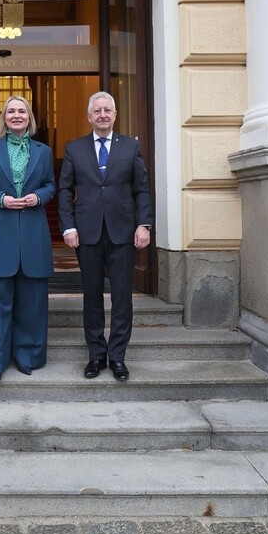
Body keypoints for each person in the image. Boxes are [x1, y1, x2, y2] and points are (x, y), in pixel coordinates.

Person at [57, 91, 152, 381]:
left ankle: (118, 356)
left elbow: (142, 189)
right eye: (97, 111)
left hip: (123, 231)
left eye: (107, 110)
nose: (102, 115)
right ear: (89, 117)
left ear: (115, 115)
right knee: (92, 296)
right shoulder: (74, 149)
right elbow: (64, 190)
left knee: (122, 296)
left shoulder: (129, 147)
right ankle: (96, 355)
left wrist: (144, 224)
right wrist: (68, 226)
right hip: (87, 233)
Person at [0, 95, 55, 384]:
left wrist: (38, 197)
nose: (16, 115)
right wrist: (1, 199)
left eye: (22, 111)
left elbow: (51, 186)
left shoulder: (44, 151)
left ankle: (27, 357)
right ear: (4, 118)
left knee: (32, 304)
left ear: (29, 117)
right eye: (11, 111)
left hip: (34, 235)